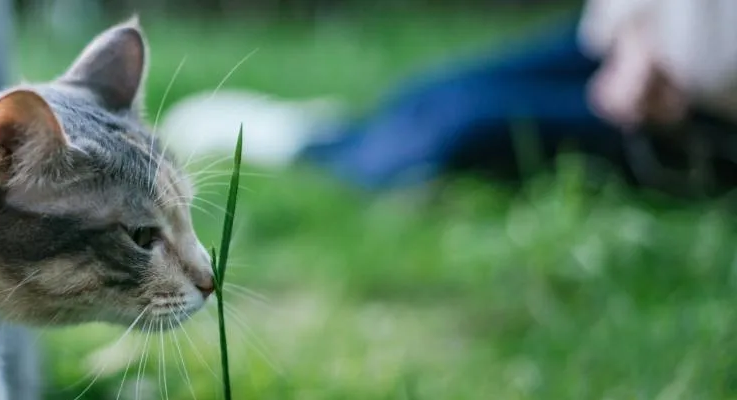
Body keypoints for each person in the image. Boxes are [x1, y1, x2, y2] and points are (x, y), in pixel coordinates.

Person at [161, 0, 737, 197]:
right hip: (629, 37)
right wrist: (634, 29)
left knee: (461, 128)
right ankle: (340, 132)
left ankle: (308, 143)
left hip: (700, 116)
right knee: (436, 89)